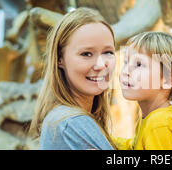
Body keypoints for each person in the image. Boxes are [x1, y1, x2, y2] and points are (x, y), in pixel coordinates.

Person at [29, 7, 117, 150]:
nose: (101, 65)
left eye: (108, 52)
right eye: (86, 54)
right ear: (59, 59)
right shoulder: (71, 123)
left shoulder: (64, 119)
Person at [117, 31, 172, 150]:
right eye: (126, 62)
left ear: (168, 79)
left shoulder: (158, 123)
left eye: (138, 64)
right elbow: (134, 146)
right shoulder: (153, 117)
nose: (125, 71)